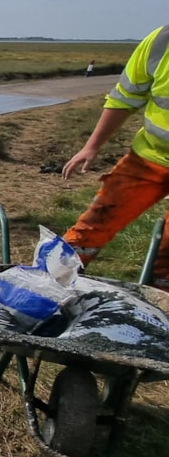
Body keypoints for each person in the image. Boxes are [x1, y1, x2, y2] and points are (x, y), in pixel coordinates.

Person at [62, 24, 169, 288]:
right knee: (90, 228)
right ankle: (47, 289)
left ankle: (159, 312)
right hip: (147, 159)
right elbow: (125, 97)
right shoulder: (161, 41)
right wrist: (92, 146)